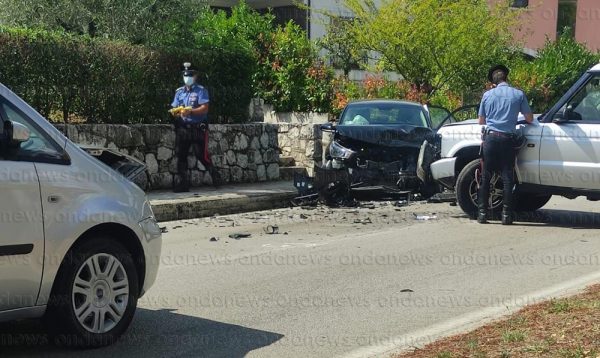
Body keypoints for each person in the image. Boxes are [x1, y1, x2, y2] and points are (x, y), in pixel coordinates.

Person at [477, 65, 534, 225]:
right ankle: (506, 216)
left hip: (490, 139)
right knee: (508, 177)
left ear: (493, 83)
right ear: (506, 78)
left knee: (486, 176)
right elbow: (529, 118)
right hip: (508, 140)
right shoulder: (518, 94)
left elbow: (481, 121)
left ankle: (482, 214)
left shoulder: (487, 95)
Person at [171, 62, 220, 192]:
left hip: (198, 128)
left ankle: (215, 175)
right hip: (183, 128)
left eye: (190, 75)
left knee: (201, 155)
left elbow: (205, 108)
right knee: (181, 156)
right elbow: (174, 107)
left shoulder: (201, 91)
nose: (187, 77)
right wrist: (176, 112)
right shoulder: (179, 92)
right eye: (185, 75)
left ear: (196, 76)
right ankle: (183, 184)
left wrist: (191, 111)